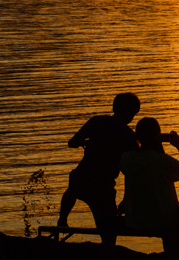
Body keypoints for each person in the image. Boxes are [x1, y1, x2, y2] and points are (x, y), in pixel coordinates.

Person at [58, 93, 141, 256]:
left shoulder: (96, 121)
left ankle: (62, 219)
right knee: (109, 236)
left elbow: (72, 143)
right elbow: (132, 170)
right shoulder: (129, 136)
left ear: (114, 108)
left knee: (73, 184)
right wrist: (126, 199)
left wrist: (90, 142)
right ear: (132, 114)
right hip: (102, 188)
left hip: (81, 180)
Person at [120, 117, 179, 259]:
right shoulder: (161, 161)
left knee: (171, 235)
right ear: (157, 136)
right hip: (162, 222)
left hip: (134, 221)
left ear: (137, 136)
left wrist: (135, 142)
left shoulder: (126, 158)